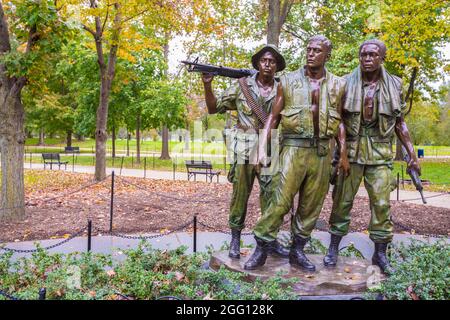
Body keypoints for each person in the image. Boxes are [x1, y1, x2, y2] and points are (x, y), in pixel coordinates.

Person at [244, 35, 349, 271]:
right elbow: (273, 116)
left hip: (322, 151)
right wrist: (261, 147)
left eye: (316, 50)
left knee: (311, 206)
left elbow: (340, 120)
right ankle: (261, 247)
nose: (311, 54)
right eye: (308, 49)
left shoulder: (338, 84)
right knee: (280, 201)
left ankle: (297, 251)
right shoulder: (288, 81)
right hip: (293, 148)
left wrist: (342, 152)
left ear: (327, 55)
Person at [323, 39, 421, 274]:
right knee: (342, 201)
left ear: (382, 58)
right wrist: (343, 154)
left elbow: (400, 124)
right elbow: (338, 122)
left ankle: (380, 254)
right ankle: (333, 248)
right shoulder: (345, 82)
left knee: (381, 204)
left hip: (380, 153)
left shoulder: (395, 84)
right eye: (363, 55)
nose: (367, 59)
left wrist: (412, 154)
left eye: (373, 55)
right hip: (352, 152)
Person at [201, 44, 289, 259]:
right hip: (244, 147)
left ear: (277, 66)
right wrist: (207, 85)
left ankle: (269, 239)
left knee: (272, 196)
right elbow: (214, 108)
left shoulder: (283, 88)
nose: (267, 64)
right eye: (264, 60)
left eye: (272, 61)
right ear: (258, 63)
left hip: (271, 147)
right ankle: (235, 239)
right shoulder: (242, 86)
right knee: (240, 195)